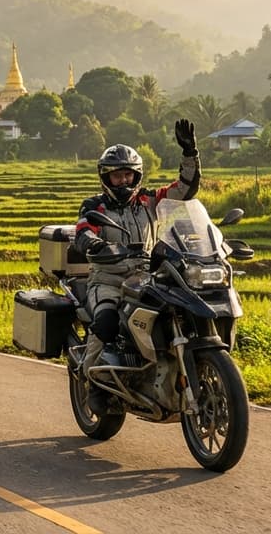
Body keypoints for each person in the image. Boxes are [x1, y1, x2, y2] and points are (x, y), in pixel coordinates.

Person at [74, 119, 201, 374]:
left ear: (137, 175)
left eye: (128, 174)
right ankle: (88, 378)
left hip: (147, 277)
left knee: (180, 311)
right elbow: (83, 230)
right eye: (117, 175)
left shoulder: (151, 199)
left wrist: (190, 153)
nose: (123, 180)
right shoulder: (94, 206)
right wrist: (95, 243)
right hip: (108, 279)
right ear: (106, 177)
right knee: (107, 321)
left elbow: (185, 190)